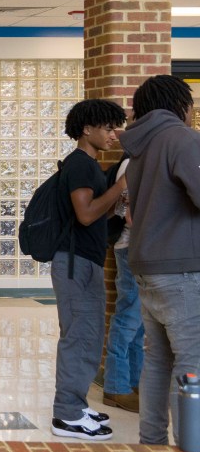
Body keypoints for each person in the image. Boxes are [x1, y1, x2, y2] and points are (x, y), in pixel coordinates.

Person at [119, 74, 200, 446]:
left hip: (148, 267)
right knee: (192, 361)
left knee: (157, 361)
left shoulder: (140, 149)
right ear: (180, 104)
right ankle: (190, 449)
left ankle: (151, 444)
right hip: (183, 269)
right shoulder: (181, 140)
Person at [48, 99, 127, 441]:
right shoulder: (80, 165)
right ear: (86, 129)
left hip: (85, 260)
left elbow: (95, 216)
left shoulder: (91, 166)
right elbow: (85, 214)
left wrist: (117, 206)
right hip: (74, 263)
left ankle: (77, 405)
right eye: (108, 128)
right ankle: (66, 414)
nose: (114, 134)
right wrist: (122, 187)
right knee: (79, 336)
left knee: (89, 335)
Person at [102, 156, 142, 414]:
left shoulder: (144, 159)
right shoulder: (133, 163)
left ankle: (133, 383)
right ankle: (116, 387)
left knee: (139, 323)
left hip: (140, 249)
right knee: (128, 316)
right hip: (131, 248)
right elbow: (127, 214)